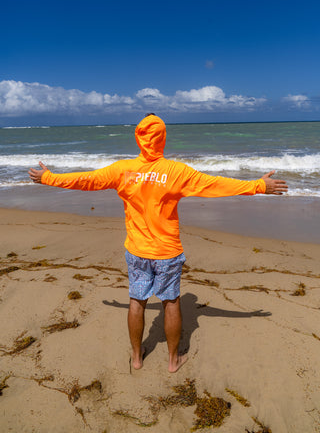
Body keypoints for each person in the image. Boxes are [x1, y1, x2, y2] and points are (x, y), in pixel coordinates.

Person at [28, 114, 288, 373]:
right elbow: (216, 185)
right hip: (167, 253)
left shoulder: (122, 170)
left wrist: (48, 177)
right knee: (171, 302)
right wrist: (259, 186)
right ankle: (173, 361)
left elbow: (86, 180)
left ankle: (137, 357)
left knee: (136, 301)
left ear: (138, 138)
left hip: (137, 251)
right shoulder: (176, 172)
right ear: (163, 138)